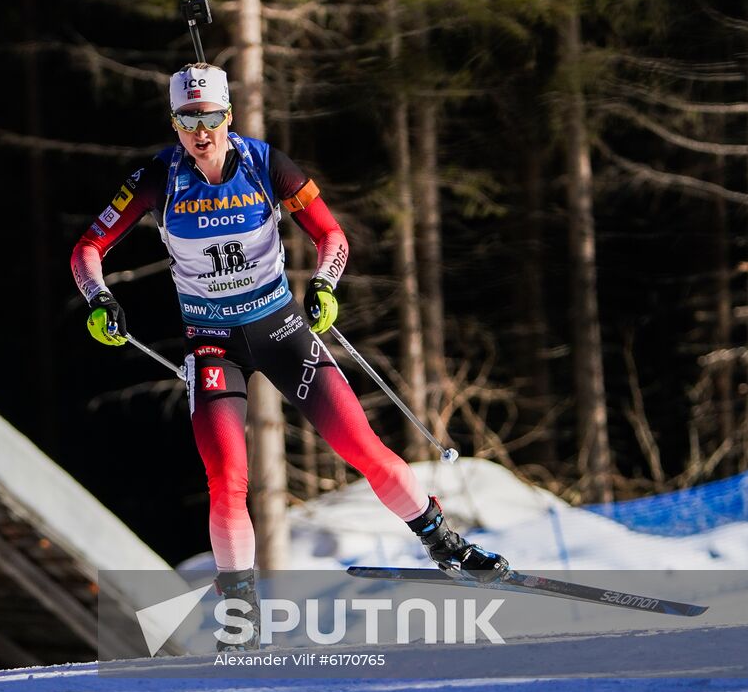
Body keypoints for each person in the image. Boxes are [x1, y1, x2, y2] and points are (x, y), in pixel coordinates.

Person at [70, 63, 508, 650]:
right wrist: (99, 300)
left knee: (364, 450)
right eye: (185, 119)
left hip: (280, 330)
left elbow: (332, 236)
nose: (199, 131)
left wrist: (324, 285)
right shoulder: (156, 178)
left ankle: (445, 546)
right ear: (173, 124)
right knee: (227, 479)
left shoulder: (266, 165)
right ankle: (240, 618)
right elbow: (87, 249)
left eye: (210, 117)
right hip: (211, 343)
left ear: (228, 115)